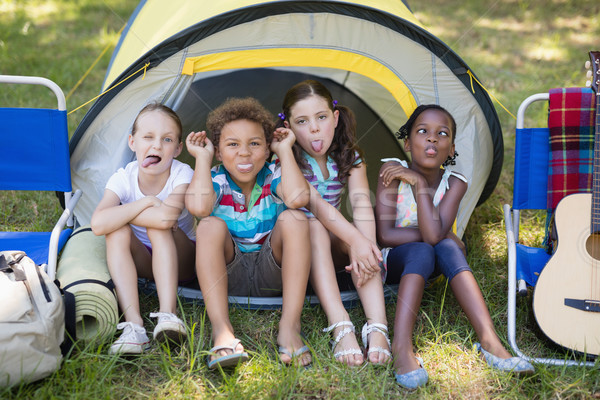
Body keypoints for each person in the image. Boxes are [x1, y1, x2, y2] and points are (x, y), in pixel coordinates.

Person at [375, 104, 534, 389]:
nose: (432, 139)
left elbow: (436, 236)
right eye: (423, 131)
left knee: (445, 247)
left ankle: (489, 341)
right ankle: (401, 346)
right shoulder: (391, 172)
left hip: (435, 263)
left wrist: (421, 188)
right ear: (408, 143)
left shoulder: (456, 183)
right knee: (435, 246)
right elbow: (385, 235)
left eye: (442, 134)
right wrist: (443, 234)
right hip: (396, 262)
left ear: (451, 149)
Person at [185, 97, 312, 368]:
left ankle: (289, 326)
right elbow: (198, 207)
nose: (244, 153)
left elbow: (298, 198)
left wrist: (285, 151)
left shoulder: (272, 174)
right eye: (232, 145)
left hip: (273, 271)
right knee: (208, 225)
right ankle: (222, 331)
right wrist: (202, 159)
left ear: (267, 149)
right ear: (219, 151)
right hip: (230, 274)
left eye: (254, 144)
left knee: (296, 219)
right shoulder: (217, 178)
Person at [277, 80, 390, 366]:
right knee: (315, 225)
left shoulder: (350, 157)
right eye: (302, 121)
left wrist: (365, 244)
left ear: (335, 118)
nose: (314, 128)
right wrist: (356, 239)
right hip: (297, 250)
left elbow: (362, 203)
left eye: (321, 117)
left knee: (359, 240)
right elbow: (315, 205)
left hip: (333, 245)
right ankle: (340, 325)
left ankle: (378, 326)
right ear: (288, 127)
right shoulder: (286, 162)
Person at [91, 103, 196, 355]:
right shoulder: (123, 177)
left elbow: (166, 220)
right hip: (143, 262)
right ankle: (134, 326)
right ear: (132, 142)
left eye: (167, 139)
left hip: (181, 260)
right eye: (148, 137)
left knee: (157, 229)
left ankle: (168, 316)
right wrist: (147, 202)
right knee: (116, 231)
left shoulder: (182, 173)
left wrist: (125, 214)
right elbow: (98, 223)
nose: (156, 145)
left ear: (178, 148)